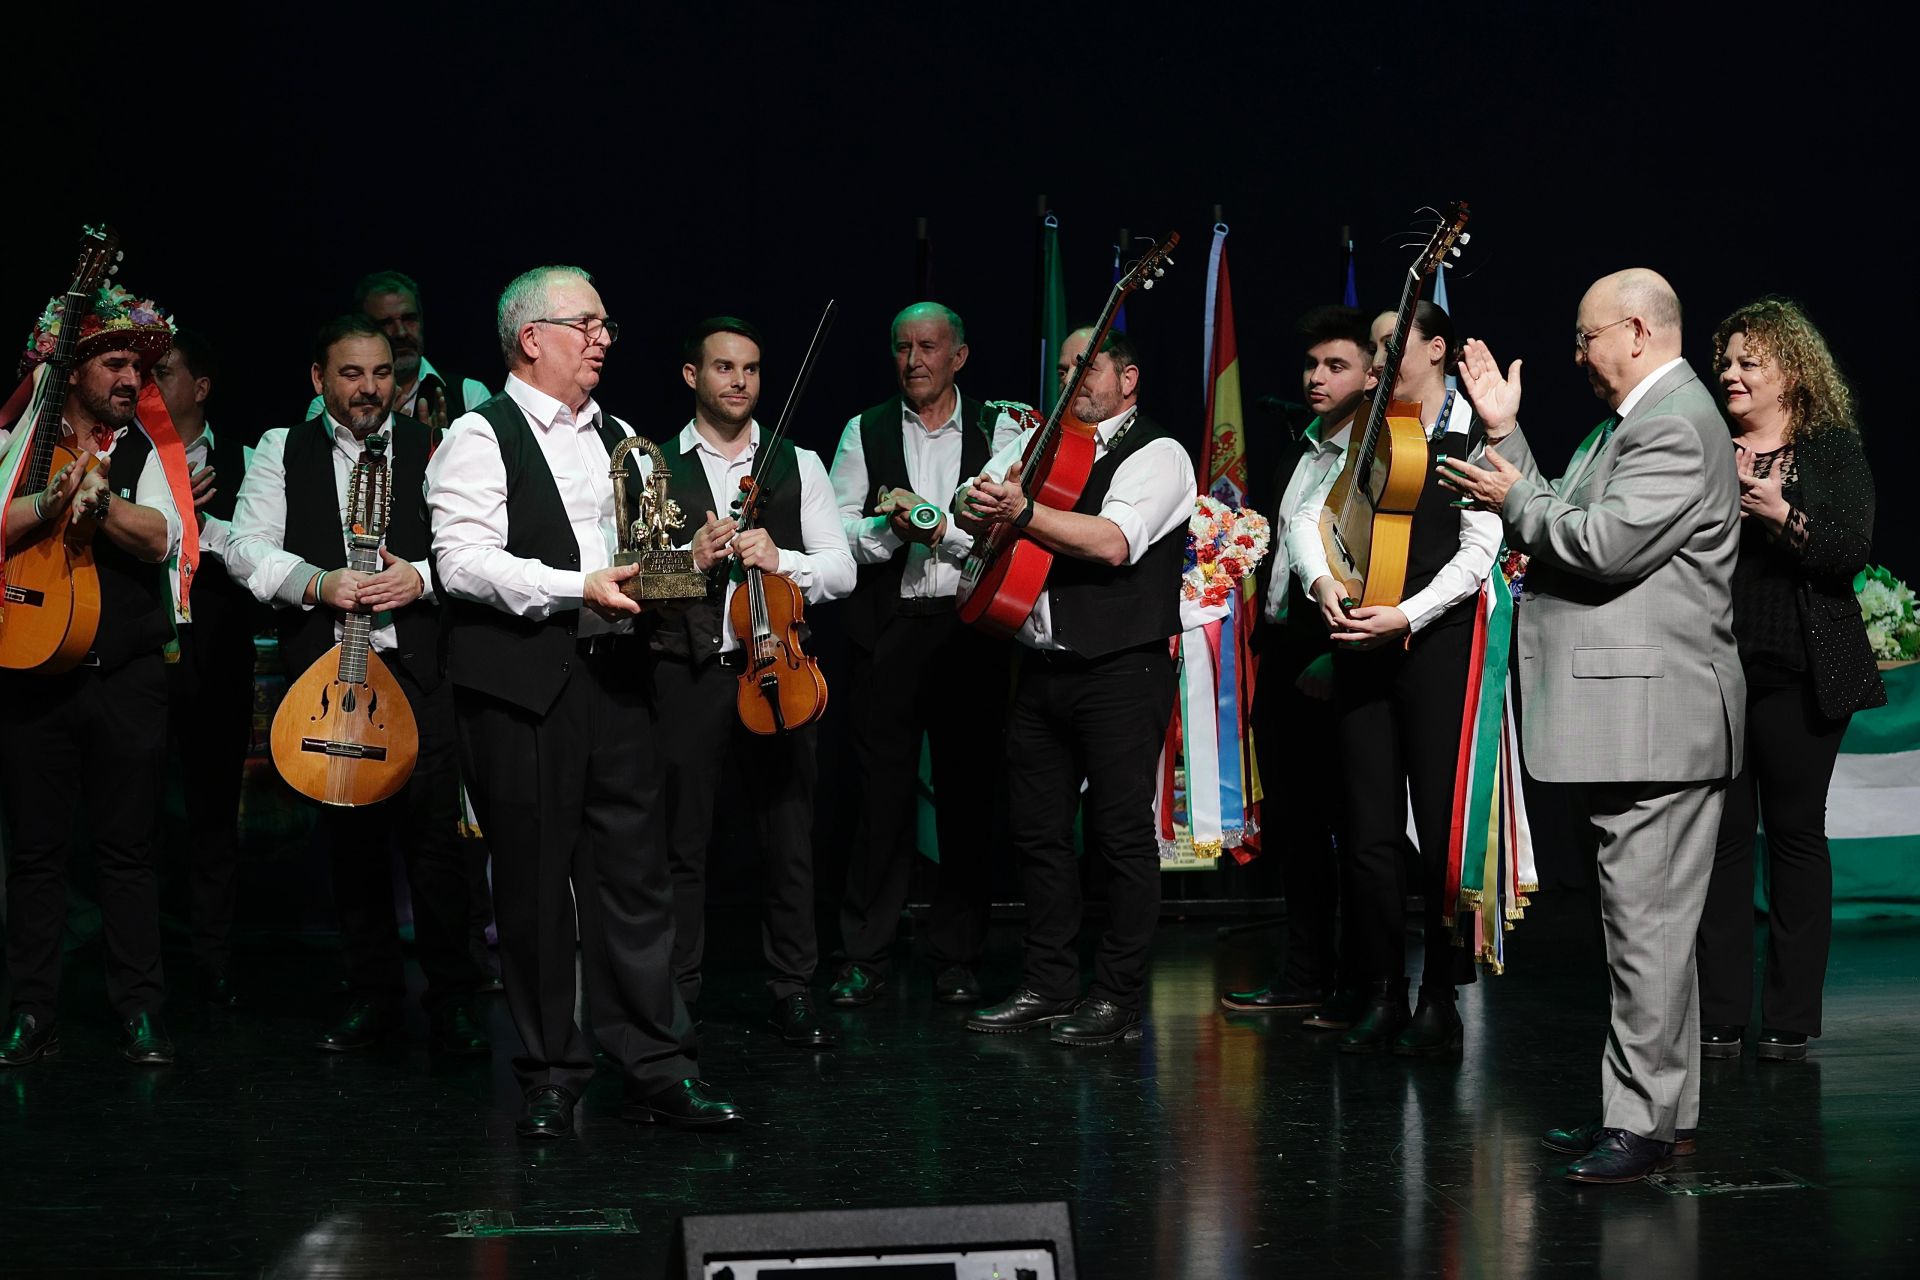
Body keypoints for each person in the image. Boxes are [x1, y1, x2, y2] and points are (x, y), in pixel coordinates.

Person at [1441, 268, 1743, 1184]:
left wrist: (1508, 499)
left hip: (1654, 718)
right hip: (1637, 716)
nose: (1577, 354)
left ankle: (1642, 1125)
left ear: (1640, 331)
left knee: (1645, 927)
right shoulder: (1634, 424)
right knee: (1645, 928)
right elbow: (1564, 510)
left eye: (1586, 336)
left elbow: (1599, 543)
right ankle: (1658, 1111)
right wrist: (1505, 434)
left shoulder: (1674, 427)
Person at [427, 265, 735, 1138]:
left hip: (616, 684)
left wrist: (694, 561)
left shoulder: (623, 436)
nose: (606, 337)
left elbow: (645, 563)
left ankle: (656, 1066)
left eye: (604, 324)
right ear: (533, 339)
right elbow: (464, 561)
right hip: (522, 693)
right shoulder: (478, 438)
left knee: (637, 883)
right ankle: (552, 1073)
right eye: (587, 324)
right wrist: (578, 586)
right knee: (531, 889)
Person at [225, 315, 488, 1057]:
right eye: (351, 374)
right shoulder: (285, 448)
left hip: (417, 669)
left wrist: (425, 578)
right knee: (352, 839)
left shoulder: (437, 446)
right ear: (319, 379)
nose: (370, 388)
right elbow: (246, 548)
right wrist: (318, 582)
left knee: (437, 843)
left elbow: (474, 548)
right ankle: (371, 994)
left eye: (382, 373)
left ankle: (455, 998)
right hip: (330, 670)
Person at [957, 327, 1196, 1046]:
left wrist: (1022, 511)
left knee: (1120, 838)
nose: (1070, 380)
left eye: (1086, 368)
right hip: (1040, 667)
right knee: (1037, 836)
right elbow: (978, 519)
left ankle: (1117, 998)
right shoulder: (1039, 450)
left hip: (1122, 668)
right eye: (1061, 367)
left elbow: (1115, 541)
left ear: (1129, 379)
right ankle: (1049, 983)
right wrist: (961, 513)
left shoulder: (1158, 452)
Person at [1287, 301, 1506, 1055]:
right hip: (1360, 644)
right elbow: (1307, 516)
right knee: (1370, 833)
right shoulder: (1370, 429)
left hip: (1435, 648)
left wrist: (1407, 616)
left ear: (1438, 347)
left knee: (1442, 830)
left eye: (1390, 346)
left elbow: (1480, 553)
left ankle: (1440, 997)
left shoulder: (1475, 430)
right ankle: (1381, 990)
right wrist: (1323, 587)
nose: (1376, 363)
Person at [647, 316, 855, 1047]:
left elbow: (841, 568)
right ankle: (677, 991)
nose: (740, 381)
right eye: (724, 368)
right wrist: (691, 560)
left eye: (752, 369)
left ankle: (792, 986)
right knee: (682, 841)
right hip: (690, 672)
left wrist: (782, 557)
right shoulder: (656, 466)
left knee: (789, 837)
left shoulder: (796, 461)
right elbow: (637, 581)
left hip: (780, 671)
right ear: (691, 376)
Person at [0, 285, 190, 1068]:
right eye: (112, 363)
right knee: (36, 853)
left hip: (125, 678)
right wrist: (51, 497)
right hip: (31, 677)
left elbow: (163, 537)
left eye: (135, 367)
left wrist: (100, 502)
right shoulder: (18, 444)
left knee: (126, 849)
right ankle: (30, 1012)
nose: (128, 379)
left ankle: (139, 1010)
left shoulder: (139, 450)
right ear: (71, 370)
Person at [1695, 298, 1883, 1064]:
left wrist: (1778, 512)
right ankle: (1716, 1012)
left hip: (1800, 676)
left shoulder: (1828, 448)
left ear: (1792, 372)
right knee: (1721, 843)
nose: (1732, 373)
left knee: (1797, 837)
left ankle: (1789, 1021)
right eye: (1728, 360)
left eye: (1750, 361)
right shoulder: (1706, 444)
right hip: (1714, 676)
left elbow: (1847, 552)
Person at [827, 302, 1019, 1010]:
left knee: (969, 795)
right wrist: (889, 525)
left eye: (929, 347)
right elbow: (838, 529)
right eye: (902, 347)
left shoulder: (1000, 430)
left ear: (958, 356)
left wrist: (940, 532)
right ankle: (865, 955)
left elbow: (1012, 534)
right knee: (881, 799)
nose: (915, 361)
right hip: (892, 629)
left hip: (972, 628)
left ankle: (959, 956)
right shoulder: (864, 428)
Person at [1220, 305, 1376, 1018]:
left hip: (1339, 656)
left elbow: (1377, 569)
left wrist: (1335, 660)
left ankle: (1362, 983)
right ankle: (1306, 974)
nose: (1317, 377)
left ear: (1372, 375)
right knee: (1297, 827)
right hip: (1282, 655)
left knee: (1355, 829)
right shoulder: (1303, 446)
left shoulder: (1378, 457)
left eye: (1336, 365)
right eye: (1312, 365)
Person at [150, 330, 264, 1008]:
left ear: (201, 386)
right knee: (136, 814)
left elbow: (262, 562)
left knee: (214, 815)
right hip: (143, 659)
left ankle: (211, 958)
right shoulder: (128, 454)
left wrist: (203, 520)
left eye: (164, 371)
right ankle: (141, 959)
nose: (149, 383)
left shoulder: (248, 463)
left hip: (217, 661)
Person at [305, 271, 489, 436]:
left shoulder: (469, 394)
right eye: (386, 323)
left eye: (409, 319)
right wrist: (375, 428)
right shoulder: (329, 404)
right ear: (364, 328)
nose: (401, 333)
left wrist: (444, 451)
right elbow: (324, 470)